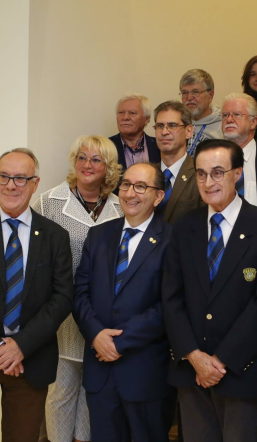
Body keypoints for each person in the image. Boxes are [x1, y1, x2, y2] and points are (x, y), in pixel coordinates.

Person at [163, 139, 257, 442]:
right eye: (201, 174)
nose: (208, 182)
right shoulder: (185, 226)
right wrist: (195, 356)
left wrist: (220, 361)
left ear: (237, 173)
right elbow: (171, 297)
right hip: (191, 372)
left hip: (240, 371)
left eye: (218, 172)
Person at [74, 162, 176, 442]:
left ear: (158, 196)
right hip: (100, 370)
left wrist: (120, 342)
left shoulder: (172, 240)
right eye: (126, 185)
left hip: (145, 373)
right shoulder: (98, 235)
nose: (130, 193)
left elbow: (169, 304)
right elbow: (80, 292)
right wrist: (96, 334)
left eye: (141, 186)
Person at [32, 135, 123, 442]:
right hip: (61, 316)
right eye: (82, 157)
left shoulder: (120, 206)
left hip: (101, 317)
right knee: (60, 392)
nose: (87, 164)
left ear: (108, 167)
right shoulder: (49, 202)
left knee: (90, 392)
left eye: (96, 159)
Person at [0, 148, 74, 442]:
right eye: (4, 177)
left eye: (20, 178)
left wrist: (20, 345)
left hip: (30, 360)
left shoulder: (55, 236)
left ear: (35, 183)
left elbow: (62, 297)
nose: (11, 185)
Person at [154, 101, 202, 224]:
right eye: (160, 126)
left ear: (189, 131)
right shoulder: (147, 174)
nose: (164, 132)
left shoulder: (201, 174)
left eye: (172, 125)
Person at [109, 93, 161, 187]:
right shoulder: (107, 147)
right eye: (121, 112)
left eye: (132, 113)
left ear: (147, 119)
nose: (125, 117)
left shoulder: (159, 146)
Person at [179, 69, 223, 156]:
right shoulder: (177, 124)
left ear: (210, 95)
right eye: (184, 92)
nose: (189, 97)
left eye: (196, 92)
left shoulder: (223, 126)